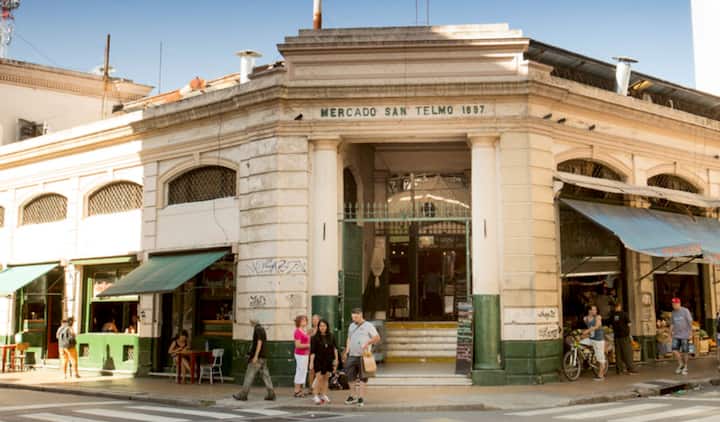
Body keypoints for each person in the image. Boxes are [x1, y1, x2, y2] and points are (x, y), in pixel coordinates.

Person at [343, 308, 380, 407]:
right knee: (350, 376)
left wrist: (367, 342)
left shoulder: (368, 326)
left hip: (364, 356)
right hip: (352, 354)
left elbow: (377, 338)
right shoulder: (351, 326)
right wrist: (347, 350)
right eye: (353, 317)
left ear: (361, 315)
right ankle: (353, 395)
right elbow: (349, 338)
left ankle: (361, 397)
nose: (354, 319)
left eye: (356, 317)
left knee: (363, 377)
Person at [233, 319, 276, 401]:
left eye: (250, 322)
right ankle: (271, 394)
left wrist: (255, 356)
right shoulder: (262, 329)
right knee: (266, 376)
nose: (250, 323)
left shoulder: (257, 329)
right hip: (263, 357)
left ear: (253, 323)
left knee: (249, 375)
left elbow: (259, 342)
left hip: (258, 357)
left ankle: (243, 394)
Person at [310, 319, 338, 405]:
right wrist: (311, 363)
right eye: (320, 326)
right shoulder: (314, 338)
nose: (322, 327)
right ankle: (315, 395)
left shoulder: (331, 336)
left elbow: (335, 349)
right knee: (319, 378)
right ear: (318, 327)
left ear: (327, 327)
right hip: (318, 360)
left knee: (326, 378)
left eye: (324, 326)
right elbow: (312, 352)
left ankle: (323, 395)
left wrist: (336, 359)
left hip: (328, 360)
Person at [610, 302, 637, 375]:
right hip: (624, 336)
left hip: (616, 336)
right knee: (627, 352)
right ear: (619, 306)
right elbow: (629, 324)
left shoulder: (612, 315)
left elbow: (611, 325)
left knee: (618, 353)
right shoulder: (624, 314)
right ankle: (630, 368)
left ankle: (619, 370)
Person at [581, 305, 606, 381]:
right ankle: (587, 358)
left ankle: (601, 375)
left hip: (598, 340)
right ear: (589, 310)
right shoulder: (585, 318)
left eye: (595, 310)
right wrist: (585, 334)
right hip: (591, 339)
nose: (594, 311)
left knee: (600, 358)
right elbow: (588, 327)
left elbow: (597, 326)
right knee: (579, 344)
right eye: (593, 309)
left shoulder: (598, 317)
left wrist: (587, 331)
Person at [671, 297, 693, 375]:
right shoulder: (673, 313)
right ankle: (681, 364)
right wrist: (670, 332)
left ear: (679, 303)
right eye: (673, 304)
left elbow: (690, 322)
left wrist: (691, 333)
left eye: (675, 304)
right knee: (674, 350)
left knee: (685, 352)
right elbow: (672, 323)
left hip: (685, 335)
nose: (674, 305)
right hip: (676, 335)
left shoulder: (685, 311)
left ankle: (685, 367)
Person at [293, 315, 310, 397]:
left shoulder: (304, 331)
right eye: (303, 320)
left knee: (303, 371)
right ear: (298, 322)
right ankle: (296, 390)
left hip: (305, 354)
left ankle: (300, 390)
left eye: (305, 320)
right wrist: (309, 345)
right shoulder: (297, 331)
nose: (304, 322)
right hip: (300, 354)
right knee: (300, 371)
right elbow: (297, 345)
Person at [307, 314, 321, 393]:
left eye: (316, 319)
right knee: (311, 370)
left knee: (319, 371)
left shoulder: (322, 329)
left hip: (320, 353)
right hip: (311, 352)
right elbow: (307, 340)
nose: (314, 321)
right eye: (313, 319)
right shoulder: (310, 331)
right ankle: (310, 387)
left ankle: (318, 388)